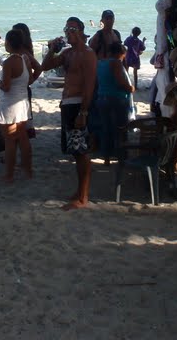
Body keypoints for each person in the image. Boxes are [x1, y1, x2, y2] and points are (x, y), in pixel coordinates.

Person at [42, 16, 97, 210]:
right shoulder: (68, 54)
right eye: (66, 29)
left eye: (73, 29)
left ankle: (83, 197)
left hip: (78, 106)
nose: (69, 32)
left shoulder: (88, 54)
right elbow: (45, 66)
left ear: (82, 31)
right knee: (75, 152)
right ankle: (79, 191)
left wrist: (83, 112)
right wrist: (51, 49)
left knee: (82, 152)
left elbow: (90, 85)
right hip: (67, 104)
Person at [0, 29, 33, 182]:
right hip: (23, 103)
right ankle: (28, 170)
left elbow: (6, 86)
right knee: (23, 138)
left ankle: (9, 175)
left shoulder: (9, 62)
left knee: (10, 140)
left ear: (10, 43)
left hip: (10, 104)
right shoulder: (25, 59)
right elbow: (30, 79)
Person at [93, 40, 134, 161]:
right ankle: (121, 156)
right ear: (120, 53)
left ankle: (106, 157)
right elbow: (121, 83)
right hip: (116, 99)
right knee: (121, 129)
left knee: (106, 128)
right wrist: (131, 88)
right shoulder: (116, 63)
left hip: (102, 97)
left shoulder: (100, 63)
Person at [11, 23, 43, 138]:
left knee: (22, 121)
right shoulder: (23, 51)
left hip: (21, 91)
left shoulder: (24, 52)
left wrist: (30, 81)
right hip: (22, 90)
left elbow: (39, 68)